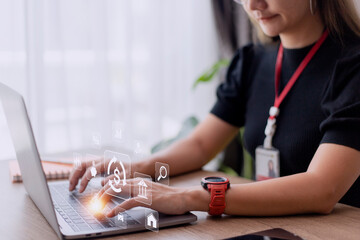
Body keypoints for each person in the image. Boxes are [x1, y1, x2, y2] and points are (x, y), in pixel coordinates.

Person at [69, 0, 360, 217]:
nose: (253, 5)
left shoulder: (353, 66)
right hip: (274, 226)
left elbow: (323, 189)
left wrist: (189, 198)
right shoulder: (252, 61)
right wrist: (136, 168)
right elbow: (200, 144)